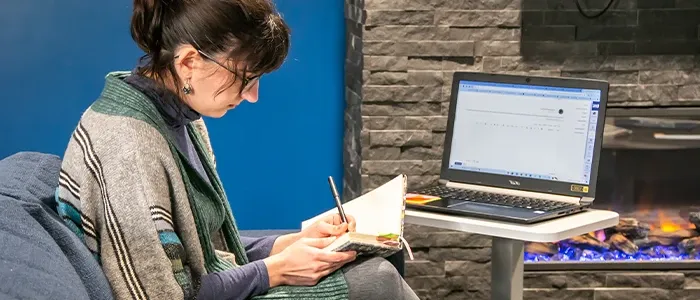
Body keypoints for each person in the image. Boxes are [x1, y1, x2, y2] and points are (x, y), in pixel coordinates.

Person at [54, 0, 419, 299]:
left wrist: (293, 243)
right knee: (377, 281)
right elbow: (162, 294)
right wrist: (275, 269)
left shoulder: (182, 115)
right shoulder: (129, 149)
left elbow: (206, 254)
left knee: (377, 256)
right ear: (188, 63)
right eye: (246, 78)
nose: (252, 96)